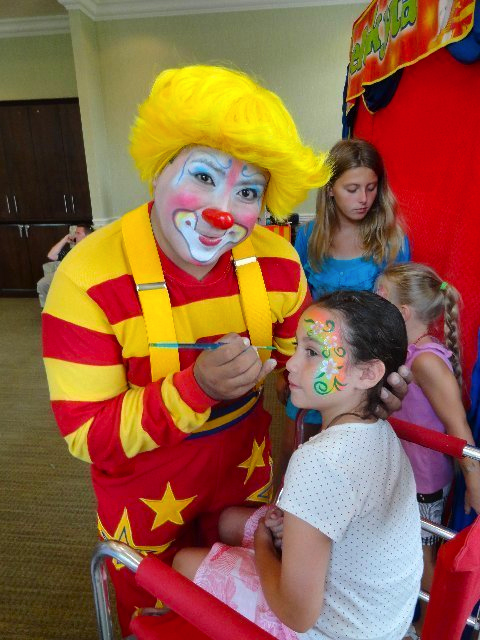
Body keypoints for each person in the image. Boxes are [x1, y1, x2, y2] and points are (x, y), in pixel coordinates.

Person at [42, 65, 409, 635]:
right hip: (142, 498)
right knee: (150, 612)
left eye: (246, 192)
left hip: (245, 479)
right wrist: (197, 389)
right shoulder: (85, 279)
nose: (220, 211)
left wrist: (367, 388)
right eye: (204, 176)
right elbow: (85, 434)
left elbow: (305, 367)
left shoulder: (278, 262)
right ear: (159, 168)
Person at [173, 290, 423, 640]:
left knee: (184, 562)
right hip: (383, 621)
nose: (289, 363)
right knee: (228, 521)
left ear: (368, 374)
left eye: (312, 353)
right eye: (297, 347)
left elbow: (297, 615)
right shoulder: (377, 429)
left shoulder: (320, 461)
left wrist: (263, 544)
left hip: (328, 630)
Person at [282, 138, 411, 465]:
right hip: (313, 363)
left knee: (349, 465)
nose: (364, 199)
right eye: (352, 189)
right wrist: (292, 367)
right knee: (298, 456)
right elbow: (296, 305)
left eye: (371, 188)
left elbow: (399, 321)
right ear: (329, 189)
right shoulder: (308, 237)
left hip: (360, 374)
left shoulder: (391, 241)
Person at [376, 262, 480, 637]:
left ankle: (433, 629)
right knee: (408, 556)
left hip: (425, 483)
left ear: (402, 312)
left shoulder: (425, 361)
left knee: (423, 562)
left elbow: (459, 429)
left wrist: (473, 482)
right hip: (409, 475)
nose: (374, 301)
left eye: (379, 296)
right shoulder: (408, 351)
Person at [36, 224, 93, 307]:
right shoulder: (71, 251)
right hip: (64, 273)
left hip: (79, 276)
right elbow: (51, 255)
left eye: (78, 233)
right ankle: (50, 309)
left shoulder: (92, 249)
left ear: (87, 236)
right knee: (43, 284)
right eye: (75, 233)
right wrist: (64, 239)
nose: (75, 235)